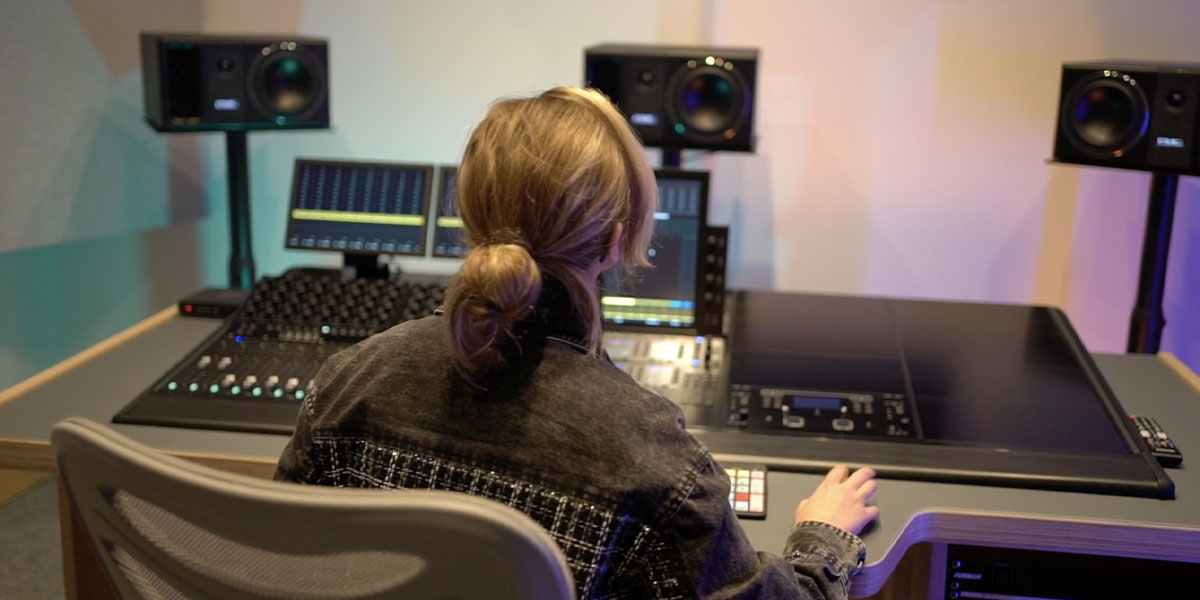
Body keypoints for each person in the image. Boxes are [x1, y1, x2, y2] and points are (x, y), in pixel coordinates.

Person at [275, 85, 879, 599]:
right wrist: (822, 540)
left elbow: (281, 559)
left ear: (469, 215)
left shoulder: (347, 382)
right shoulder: (652, 459)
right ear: (616, 241)